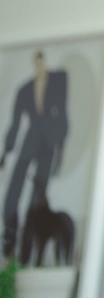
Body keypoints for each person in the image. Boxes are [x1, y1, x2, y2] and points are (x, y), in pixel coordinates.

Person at [2, 50, 68, 259]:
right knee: (17, 179)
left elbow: (62, 112)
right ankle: (9, 228)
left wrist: (60, 150)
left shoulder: (58, 80)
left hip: (48, 140)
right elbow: (15, 124)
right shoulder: (24, 90)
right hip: (31, 138)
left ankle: (28, 243)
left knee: (39, 189)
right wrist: (5, 152)